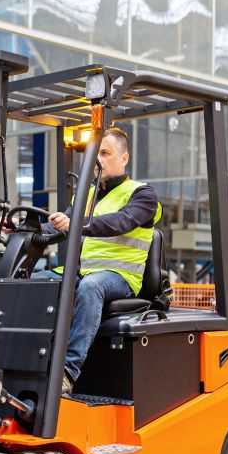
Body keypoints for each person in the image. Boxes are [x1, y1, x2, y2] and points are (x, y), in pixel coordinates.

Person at [34, 126, 161, 394]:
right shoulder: (88, 195)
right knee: (34, 282)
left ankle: (67, 373)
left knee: (91, 287)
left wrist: (76, 222)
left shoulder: (142, 194)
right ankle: (28, 362)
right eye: (95, 154)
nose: (99, 160)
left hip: (120, 277)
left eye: (105, 153)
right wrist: (29, 230)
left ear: (124, 158)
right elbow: (62, 226)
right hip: (84, 272)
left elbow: (121, 221)